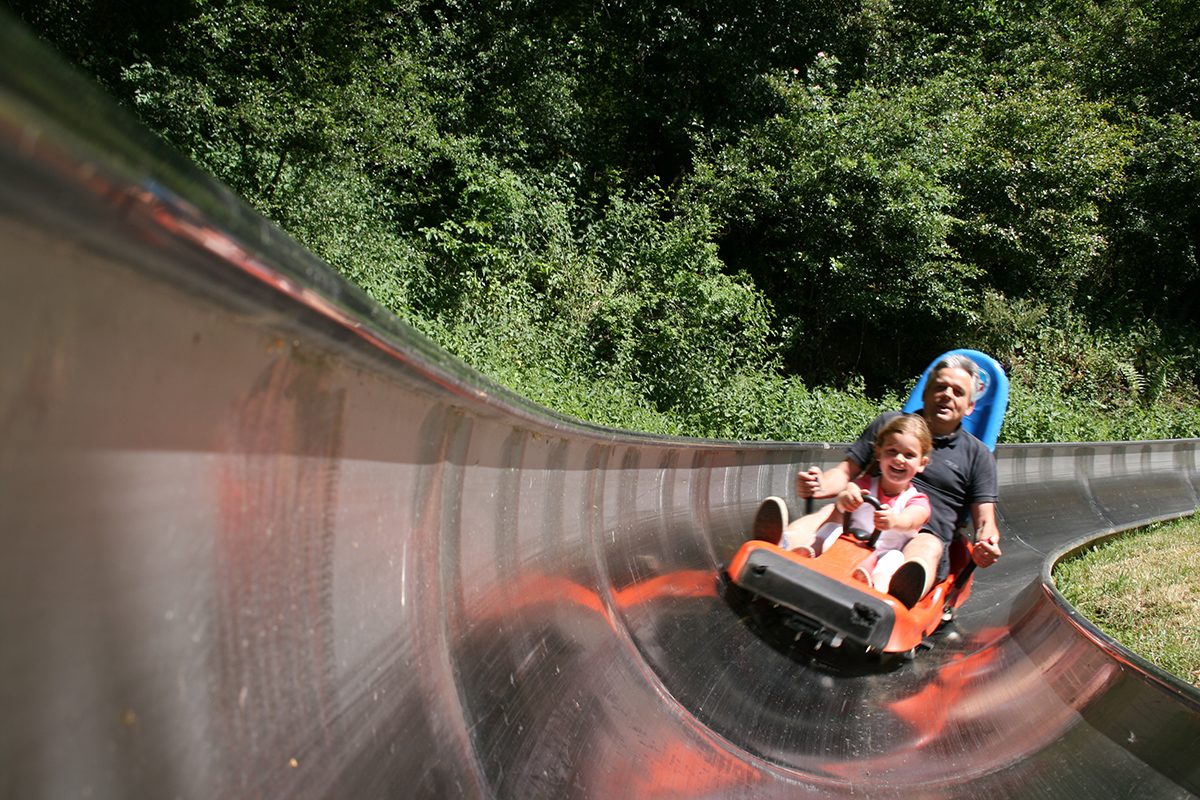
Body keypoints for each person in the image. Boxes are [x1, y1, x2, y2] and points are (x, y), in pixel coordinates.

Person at [752, 353, 1001, 608]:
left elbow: (985, 521)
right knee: (832, 511)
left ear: (969, 406)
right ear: (925, 393)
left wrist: (987, 543)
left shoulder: (978, 456)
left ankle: (898, 589)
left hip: (920, 531)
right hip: (865, 512)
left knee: (927, 546)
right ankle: (782, 543)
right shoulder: (890, 425)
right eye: (940, 387)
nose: (947, 395)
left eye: (957, 392)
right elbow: (846, 472)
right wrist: (820, 485)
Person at [774, 414, 933, 594]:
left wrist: (895, 521)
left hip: (880, 556)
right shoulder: (865, 484)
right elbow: (847, 491)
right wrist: (846, 500)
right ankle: (802, 551)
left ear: (922, 463)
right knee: (831, 529)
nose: (899, 459)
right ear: (879, 453)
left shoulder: (916, 500)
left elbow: (914, 518)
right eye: (892, 451)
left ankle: (877, 589)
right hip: (847, 546)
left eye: (909, 455)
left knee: (894, 559)